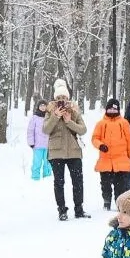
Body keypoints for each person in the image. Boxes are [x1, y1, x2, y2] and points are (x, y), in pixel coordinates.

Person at [43, 78, 90, 221]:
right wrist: (55, 116)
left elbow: (83, 130)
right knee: (59, 182)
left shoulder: (74, 110)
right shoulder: (50, 110)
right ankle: (62, 210)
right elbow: (45, 129)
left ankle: (79, 209)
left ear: (68, 98)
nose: (61, 100)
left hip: (74, 151)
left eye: (64, 97)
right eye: (58, 98)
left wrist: (69, 121)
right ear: (55, 99)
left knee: (78, 181)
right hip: (56, 152)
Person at [91, 98, 130, 211]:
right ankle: (106, 201)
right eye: (110, 109)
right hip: (105, 160)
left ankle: (119, 203)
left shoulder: (124, 123)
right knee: (105, 184)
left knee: (120, 185)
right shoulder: (101, 124)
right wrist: (100, 145)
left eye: (114, 109)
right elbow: (95, 138)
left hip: (121, 160)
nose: (112, 111)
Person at [27, 101, 53, 180]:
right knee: (37, 162)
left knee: (47, 162)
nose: (43, 107)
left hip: (48, 145)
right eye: (41, 105)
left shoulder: (49, 117)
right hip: (37, 145)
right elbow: (30, 130)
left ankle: (47, 177)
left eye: (44, 105)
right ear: (38, 107)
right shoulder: (35, 118)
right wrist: (31, 142)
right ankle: (35, 178)